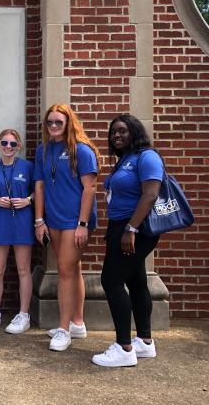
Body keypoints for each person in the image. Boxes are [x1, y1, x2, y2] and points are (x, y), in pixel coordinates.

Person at [91, 114, 163, 367]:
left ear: (135, 131)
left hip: (135, 228)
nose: (116, 136)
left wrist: (130, 229)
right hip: (122, 226)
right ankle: (144, 342)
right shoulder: (125, 160)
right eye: (113, 132)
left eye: (122, 131)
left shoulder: (148, 156)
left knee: (110, 280)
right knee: (136, 280)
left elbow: (151, 194)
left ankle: (124, 348)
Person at [33, 104, 100, 352]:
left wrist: (83, 224)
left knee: (64, 270)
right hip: (54, 219)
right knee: (72, 269)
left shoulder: (82, 151)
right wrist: (39, 220)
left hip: (75, 220)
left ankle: (63, 330)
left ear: (69, 123)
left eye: (58, 122)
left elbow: (90, 189)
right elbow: (39, 187)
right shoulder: (42, 150)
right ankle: (77, 323)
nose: (53, 126)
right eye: (49, 122)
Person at [0, 129, 35, 334]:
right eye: (4, 143)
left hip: (22, 220)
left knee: (23, 269)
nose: (8, 147)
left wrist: (28, 200)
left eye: (12, 144)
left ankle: (24, 314)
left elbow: (39, 189)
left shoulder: (28, 166)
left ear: (19, 146)